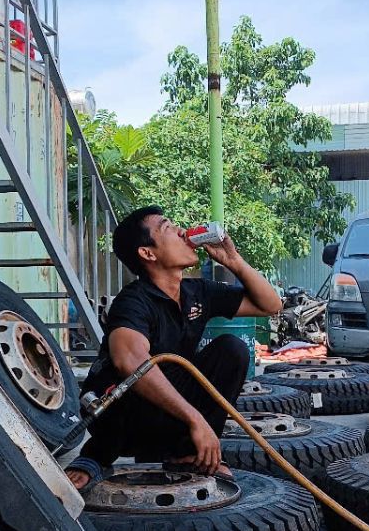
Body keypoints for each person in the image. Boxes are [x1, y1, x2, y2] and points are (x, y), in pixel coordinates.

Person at [66, 206, 282, 491]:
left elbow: (271, 305)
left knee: (232, 350)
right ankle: (96, 455)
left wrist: (234, 262)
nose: (183, 232)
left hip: (165, 415)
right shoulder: (134, 301)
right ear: (148, 253)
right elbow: (128, 360)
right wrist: (196, 419)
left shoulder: (197, 293)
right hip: (121, 418)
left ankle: (185, 454)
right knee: (141, 373)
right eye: (168, 228)